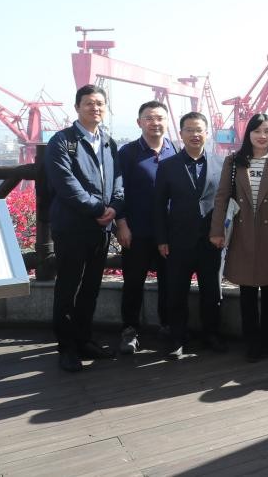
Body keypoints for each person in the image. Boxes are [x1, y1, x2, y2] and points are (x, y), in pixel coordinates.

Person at [44, 84, 124, 372]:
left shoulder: (109, 142)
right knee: (68, 287)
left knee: (91, 287)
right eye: (89, 103)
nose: (95, 108)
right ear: (77, 107)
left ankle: (84, 339)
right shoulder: (62, 141)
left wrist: (115, 205)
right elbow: (66, 184)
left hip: (100, 229)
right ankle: (66, 347)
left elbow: (118, 179)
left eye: (100, 103)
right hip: (72, 227)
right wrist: (100, 209)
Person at [211, 113, 268, 361]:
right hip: (242, 233)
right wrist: (217, 231)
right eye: (257, 131)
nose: (262, 136)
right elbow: (222, 197)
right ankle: (252, 341)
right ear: (248, 134)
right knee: (246, 290)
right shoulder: (234, 161)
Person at [154, 112, 224, 360]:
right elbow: (159, 206)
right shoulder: (168, 166)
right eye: (189, 130)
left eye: (199, 130)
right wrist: (162, 239)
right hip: (178, 241)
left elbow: (226, 202)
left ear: (207, 133)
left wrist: (222, 233)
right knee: (176, 292)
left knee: (212, 292)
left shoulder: (220, 163)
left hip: (211, 241)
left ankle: (211, 334)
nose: (195, 134)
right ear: (181, 134)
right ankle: (177, 338)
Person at [115, 101, 177, 355]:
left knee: (169, 281)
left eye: (160, 118)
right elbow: (117, 191)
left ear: (167, 122)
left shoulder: (175, 150)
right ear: (139, 122)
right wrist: (121, 224)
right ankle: (130, 330)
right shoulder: (128, 153)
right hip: (136, 230)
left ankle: (168, 326)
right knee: (133, 282)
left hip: (168, 232)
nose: (155, 123)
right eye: (149, 118)